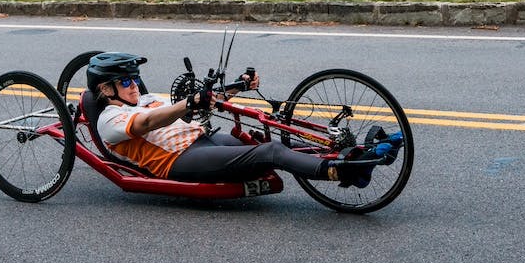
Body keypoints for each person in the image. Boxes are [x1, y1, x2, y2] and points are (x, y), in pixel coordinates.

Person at [85, 52, 395, 187]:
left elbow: (199, 104)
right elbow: (147, 124)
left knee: (265, 140)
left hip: (202, 141)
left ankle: (356, 157)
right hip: (180, 161)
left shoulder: (145, 98)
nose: (135, 87)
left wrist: (238, 85)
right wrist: (187, 104)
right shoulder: (110, 119)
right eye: (126, 82)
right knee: (270, 154)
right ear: (105, 88)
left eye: (136, 80)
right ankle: (343, 173)